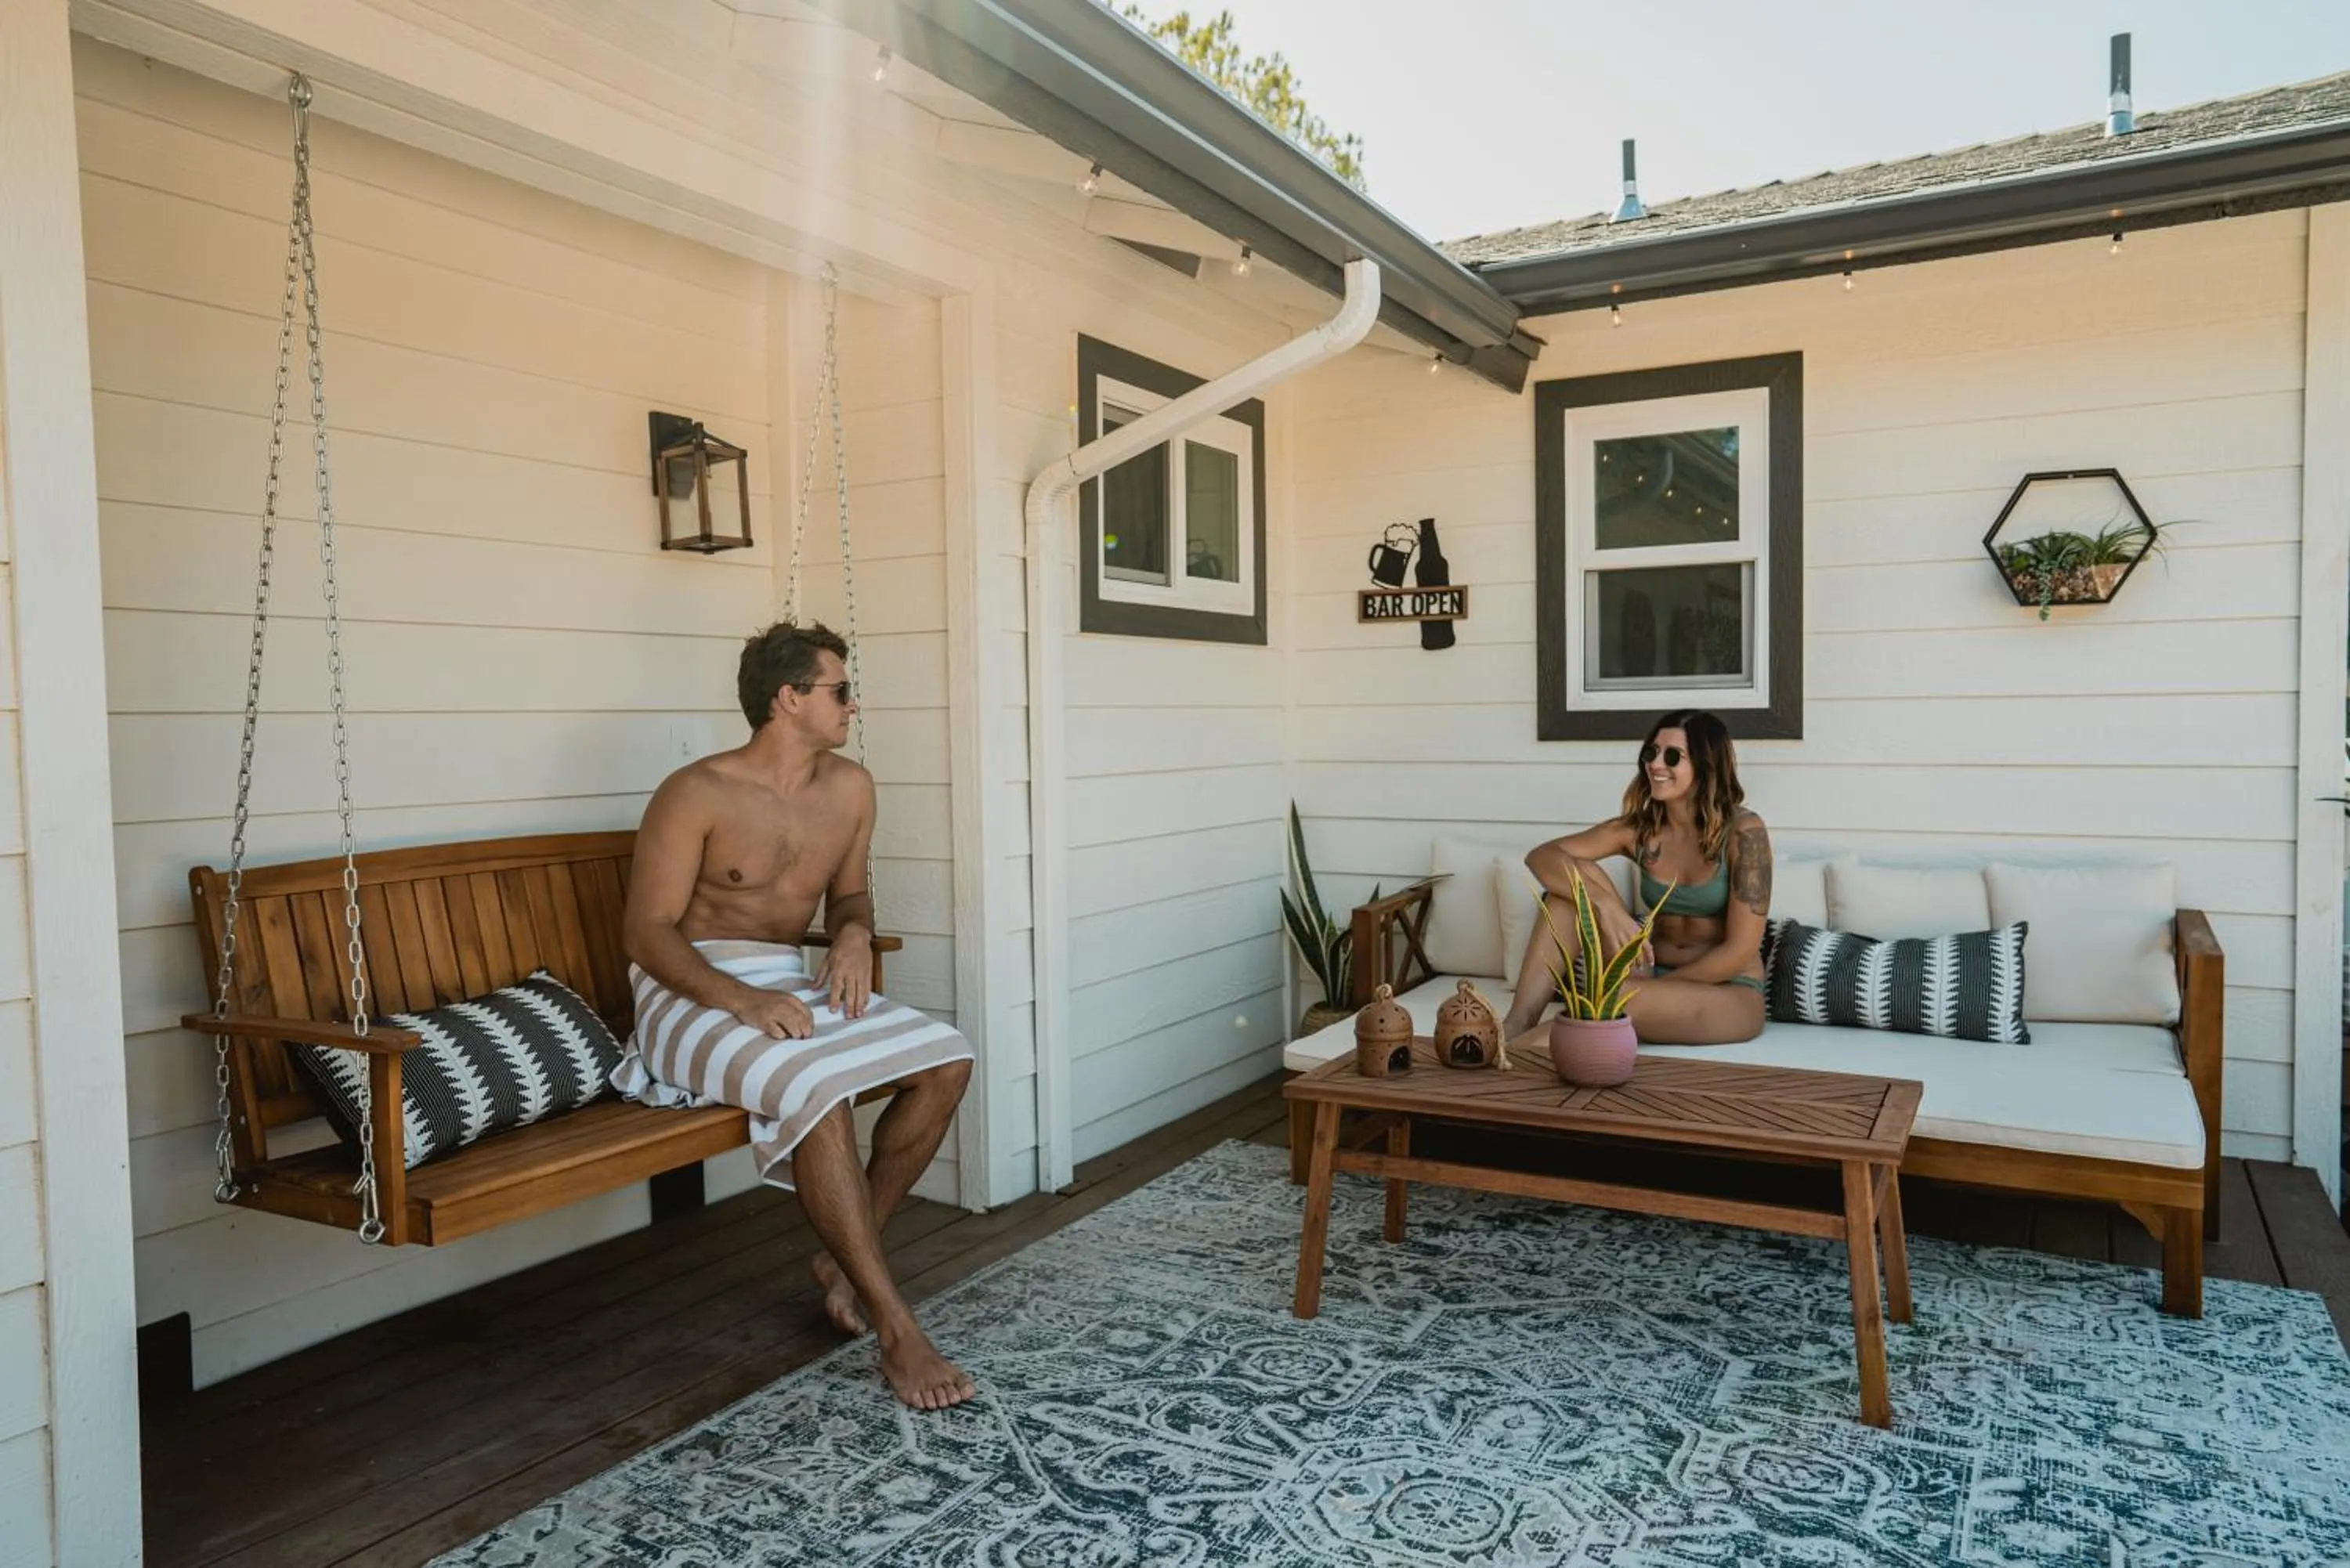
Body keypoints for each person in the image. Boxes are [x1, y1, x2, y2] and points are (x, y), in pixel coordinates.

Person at [616, 620, 978, 1411]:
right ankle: (895, 1329)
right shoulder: (695, 793)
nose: (854, 704)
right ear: (789, 699)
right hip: (687, 992)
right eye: (840, 690)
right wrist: (740, 998)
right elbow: (645, 933)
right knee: (819, 1087)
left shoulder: (850, 788)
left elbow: (849, 893)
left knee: (948, 1059)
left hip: (787, 981)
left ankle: (845, 1266)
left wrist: (850, 933)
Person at [1499, 710, 1772, 1046]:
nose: (1656, 765)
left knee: (1620, 1000)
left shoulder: (1745, 833)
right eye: (1651, 753)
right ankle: (1516, 1024)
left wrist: (1652, 989)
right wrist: (1605, 906)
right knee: (1566, 898)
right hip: (1648, 976)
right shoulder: (1641, 830)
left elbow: (1741, 951)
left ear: (1706, 766)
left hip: (1726, 991)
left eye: (1673, 756)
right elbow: (1541, 857)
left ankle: (1510, 1055)